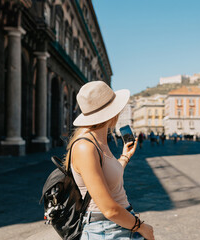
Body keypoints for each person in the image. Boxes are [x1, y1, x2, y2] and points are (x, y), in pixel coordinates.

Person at [66, 81, 154, 240]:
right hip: (106, 230)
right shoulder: (85, 147)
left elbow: (109, 180)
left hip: (121, 223)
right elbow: (109, 209)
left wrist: (125, 157)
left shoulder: (99, 141)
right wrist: (143, 227)